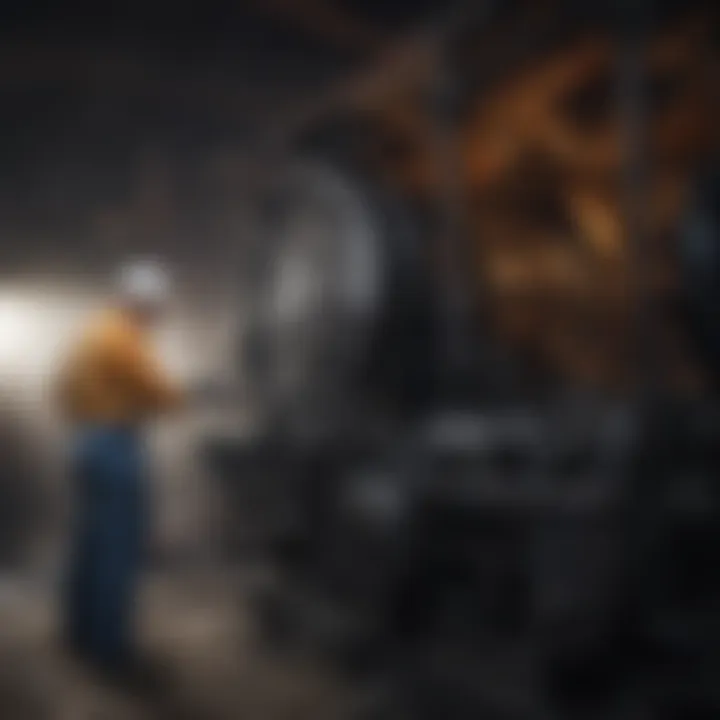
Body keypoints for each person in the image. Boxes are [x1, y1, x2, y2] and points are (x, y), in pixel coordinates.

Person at [55, 260, 184, 685]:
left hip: (84, 441)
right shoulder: (125, 337)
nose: (157, 318)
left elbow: (60, 389)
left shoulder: (91, 330)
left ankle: (77, 634)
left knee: (89, 542)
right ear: (142, 303)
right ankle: (108, 648)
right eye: (156, 309)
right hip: (115, 447)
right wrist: (188, 395)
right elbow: (160, 393)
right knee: (117, 548)